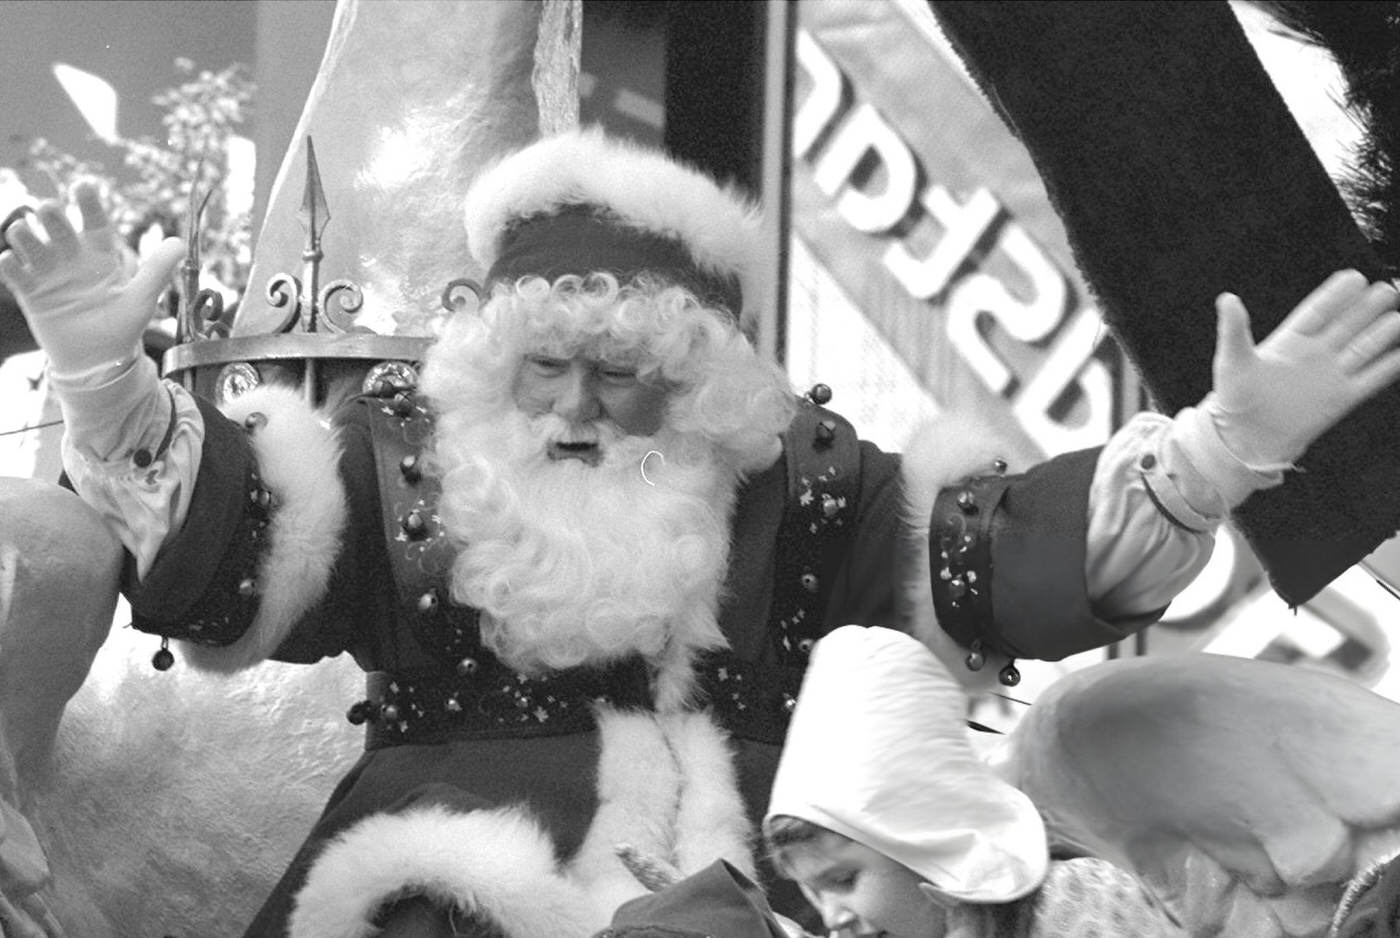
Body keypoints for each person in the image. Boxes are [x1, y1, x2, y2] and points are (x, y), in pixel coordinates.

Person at [2, 126, 1399, 938]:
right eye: (543, 365)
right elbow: (218, 553)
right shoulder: (402, 468)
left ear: (701, 374)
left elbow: (1003, 553)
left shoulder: (807, 483)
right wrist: (99, 376)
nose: (576, 406)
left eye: (620, 371)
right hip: (434, 877)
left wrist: (1220, 451)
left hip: (765, 876)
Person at [763, 625, 1183, 938]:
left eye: (843, 880)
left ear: (926, 837)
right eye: (814, 894)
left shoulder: (1078, 910)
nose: (834, 918)